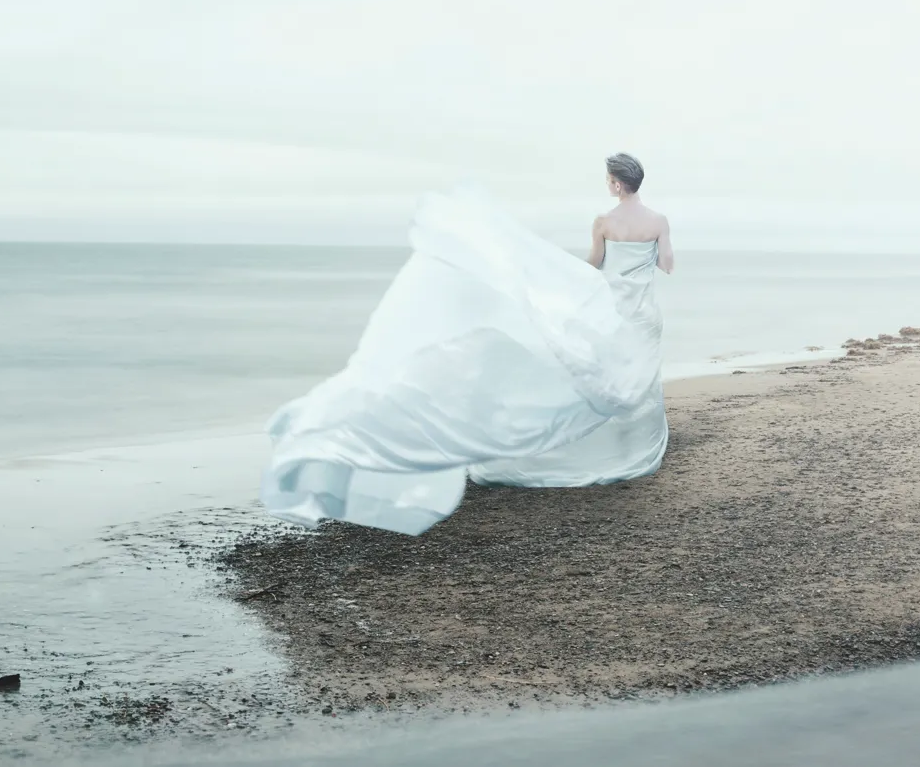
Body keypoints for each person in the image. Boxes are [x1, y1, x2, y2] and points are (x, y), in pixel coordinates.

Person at [260, 154, 673, 535]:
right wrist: (642, 259)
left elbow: (596, 264)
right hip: (644, 309)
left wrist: (557, 284)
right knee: (639, 372)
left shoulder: (604, 221)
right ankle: (634, 447)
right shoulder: (658, 221)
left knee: (608, 370)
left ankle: (610, 448)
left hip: (614, 306)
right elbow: (665, 264)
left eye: (608, 179)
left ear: (617, 184)